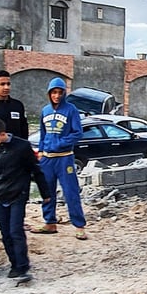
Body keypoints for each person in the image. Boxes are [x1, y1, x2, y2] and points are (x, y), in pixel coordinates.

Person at [0, 115, 50, 283]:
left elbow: (36, 170)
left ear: (2, 133)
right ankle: (14, 265)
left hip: (17, 195)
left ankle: (23, 266)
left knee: (16, 231)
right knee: (5, 233)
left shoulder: (22, 146)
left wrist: (45, 193)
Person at [33, 78, 87, 239]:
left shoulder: (71, 110)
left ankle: (79, 225)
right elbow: (43, 133)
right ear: (49, 93)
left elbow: (78, 133)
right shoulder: (45, 111)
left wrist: (60, 143)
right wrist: (42, 150)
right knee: (47, 192)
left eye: (59, 92)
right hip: (47, 159)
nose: (56, 96)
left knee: (71, 192)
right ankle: (50, 222)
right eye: (53, 92)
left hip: (64, 158)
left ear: (64, 93)